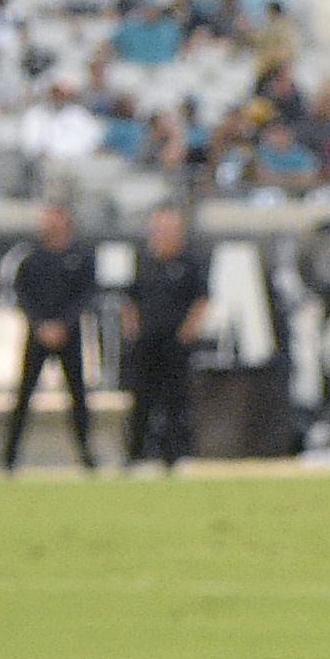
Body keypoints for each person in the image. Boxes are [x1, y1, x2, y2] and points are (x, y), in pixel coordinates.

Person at [4, 200, 100, 472]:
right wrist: (40, 325)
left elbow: (86, 295)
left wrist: (63, 325)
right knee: (24, 394)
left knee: (78, 395)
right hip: (38, 335)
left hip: (69, 336)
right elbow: (20, 295)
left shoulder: (80, 257)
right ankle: (9, 456)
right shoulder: (30, 259)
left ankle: (86, 453)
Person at [122, 200, 209, 470]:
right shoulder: (144, 261)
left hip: (175, 342)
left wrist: (187, 331)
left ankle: (173, 456)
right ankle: (135, 454)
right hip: (147, 341)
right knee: (141, 399)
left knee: (175, 399)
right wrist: (132, 328)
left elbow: (201, 299)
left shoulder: (189, 262)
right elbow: (130, 298)